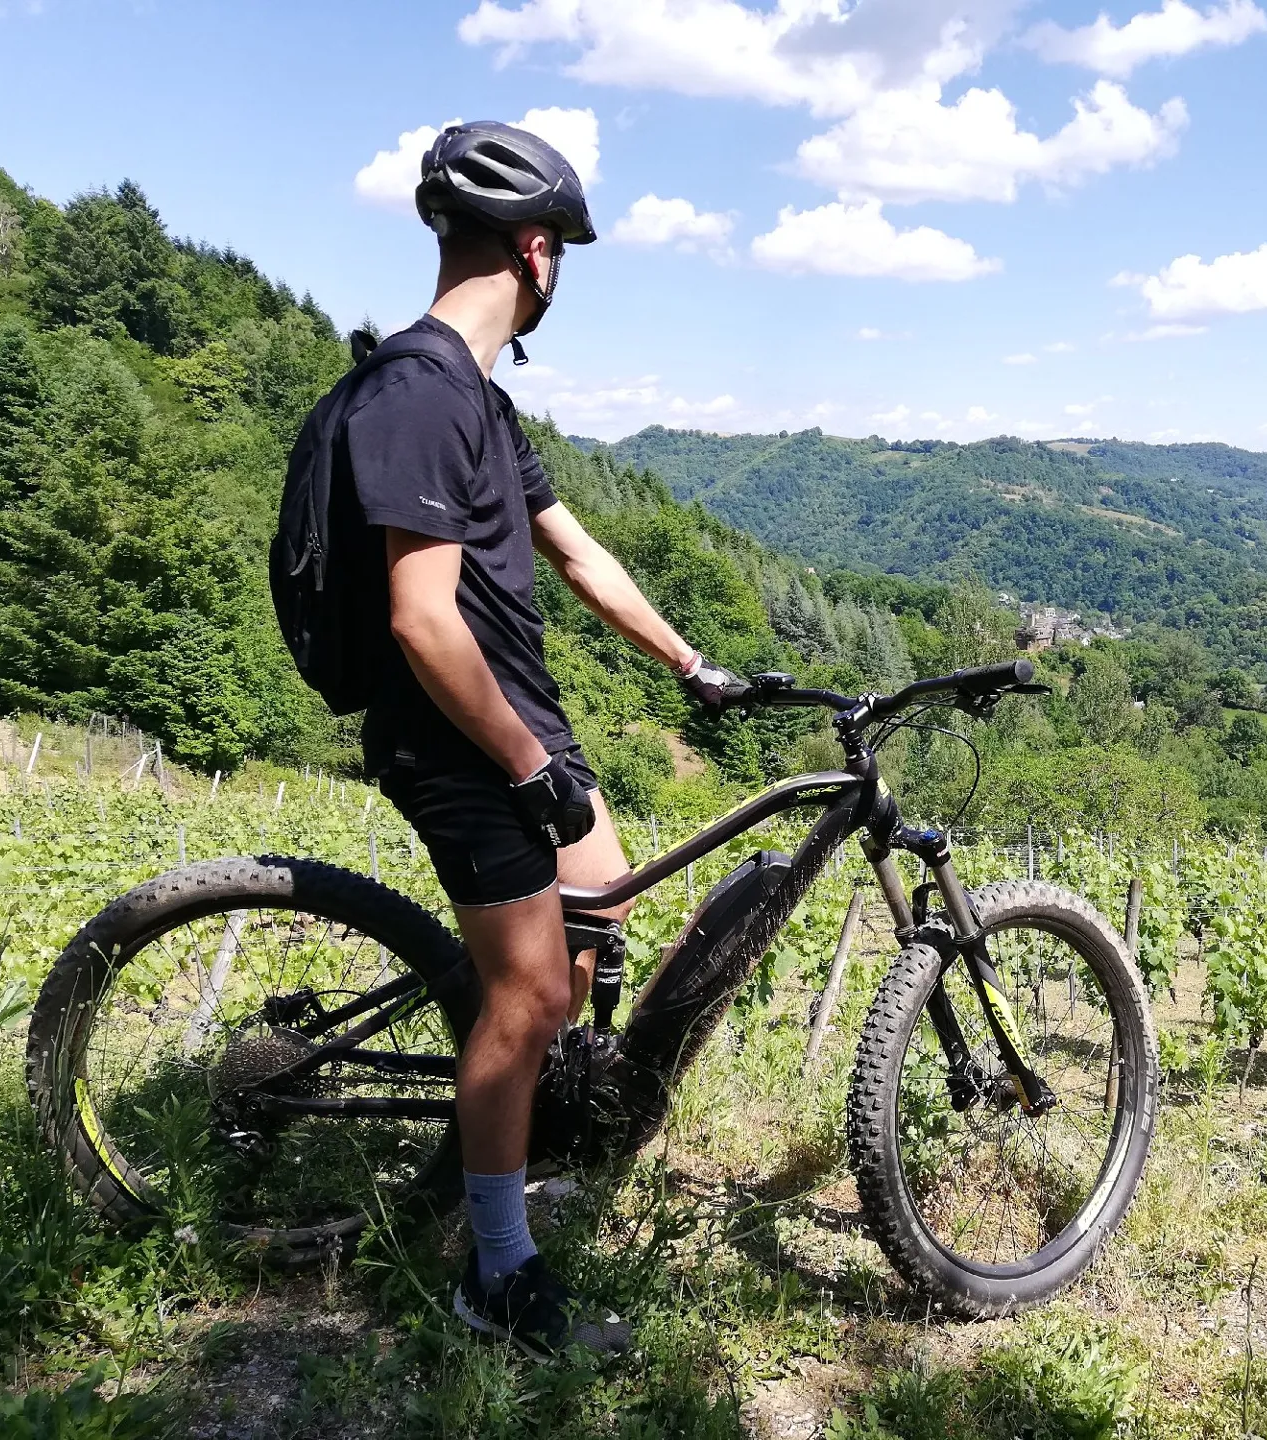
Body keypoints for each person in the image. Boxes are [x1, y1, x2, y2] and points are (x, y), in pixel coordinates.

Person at [342, 121, 740, 1361]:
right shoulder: (415, 392)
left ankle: (514, 1130)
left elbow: (576, 553)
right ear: (533, 250)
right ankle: (494, 1273)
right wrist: (525, 765)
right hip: (459, 734)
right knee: (525, 988)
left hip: (519, 724)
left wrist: (690, 663)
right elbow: (418, 617)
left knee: (598, 915)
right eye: (558, 250)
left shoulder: (483, 404)